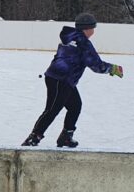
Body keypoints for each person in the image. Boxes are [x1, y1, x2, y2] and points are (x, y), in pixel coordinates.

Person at [21, 13, 123, 148]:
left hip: (59, 78)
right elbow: (95, 64)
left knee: (75, 106)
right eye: (93, 28)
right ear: (88, 28)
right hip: (60, 79)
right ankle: (34, 137)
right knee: (52, 109)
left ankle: (66, 137)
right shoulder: (83, 43)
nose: (93, 31)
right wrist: (112, 69)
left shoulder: (69, 37)